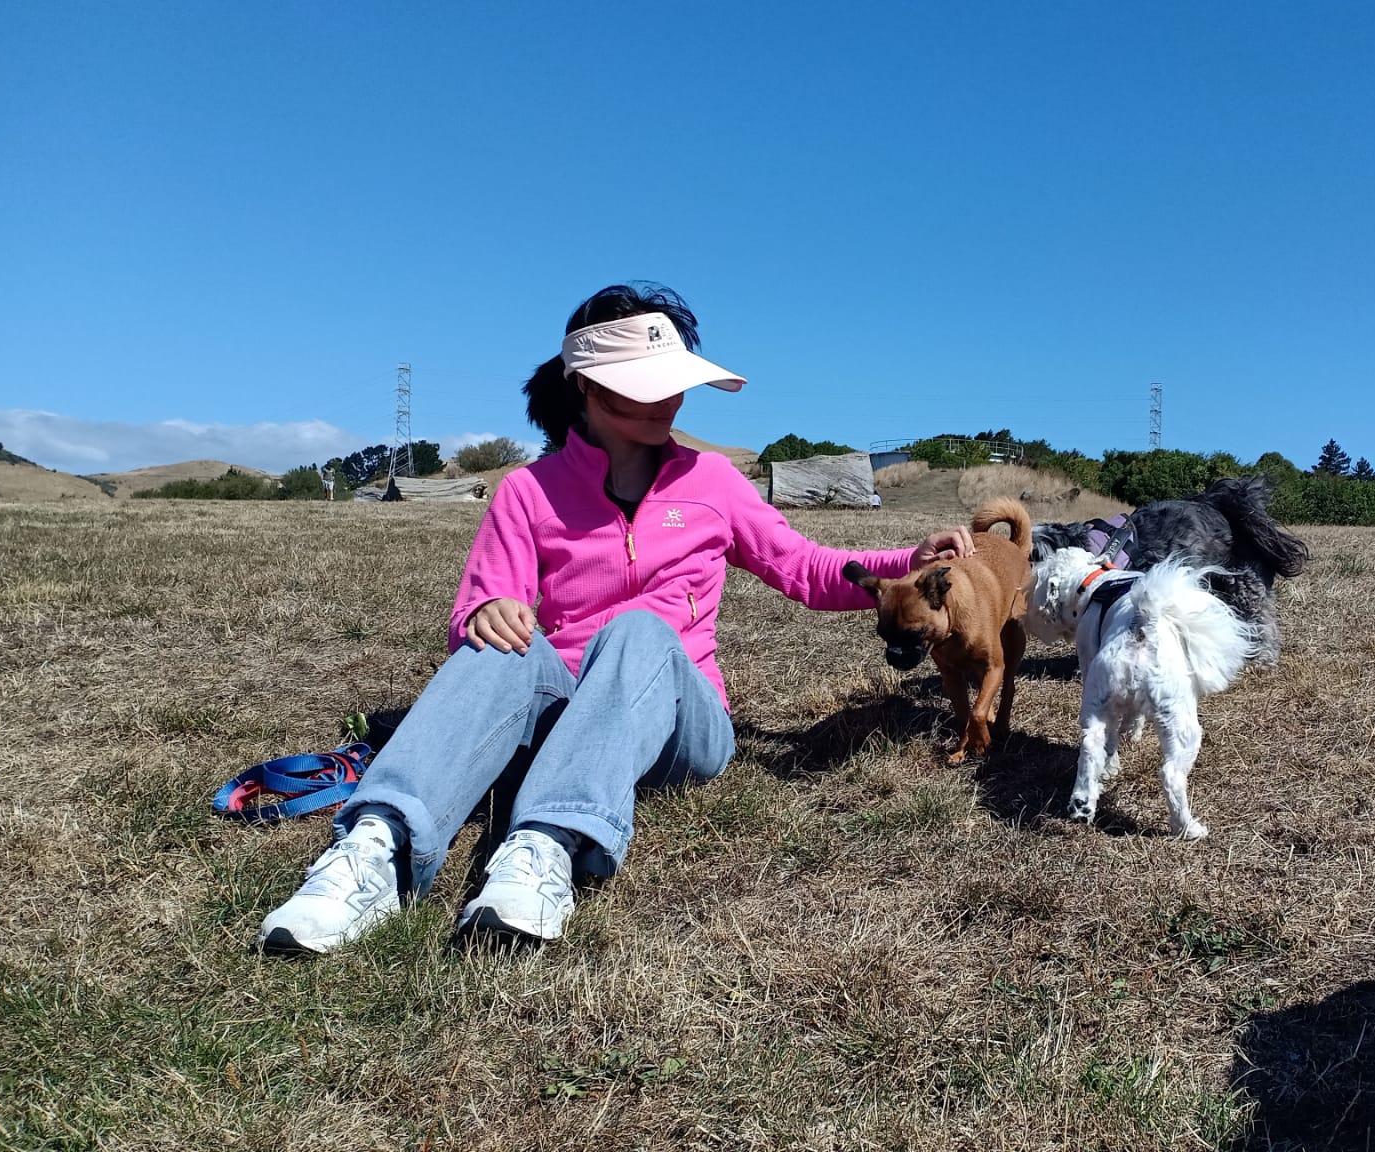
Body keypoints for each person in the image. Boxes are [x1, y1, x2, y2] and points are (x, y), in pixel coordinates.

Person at [257, 282, 973, 954]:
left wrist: (906, 563)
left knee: (637, 630)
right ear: (585, 387)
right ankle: (374, 850)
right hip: (557, 715)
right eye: (642, 385)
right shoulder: (527, 492)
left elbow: (805, 567)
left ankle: (546, 847)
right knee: (496, 644)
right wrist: (488, 611)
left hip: (680, 728)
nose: (667, 401)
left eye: (673, 383)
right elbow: (476, 628)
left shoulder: (714, 482)